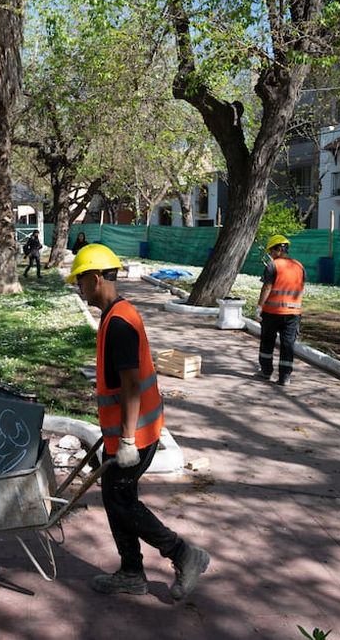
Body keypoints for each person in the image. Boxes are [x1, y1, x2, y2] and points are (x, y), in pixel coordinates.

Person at [65, 243, 210, 601]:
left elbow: (131, 384)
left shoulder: (119, 323)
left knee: (122, 501)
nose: (79, 288)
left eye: (80, 281)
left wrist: (127, 440)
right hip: (130, 431)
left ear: (96, 278)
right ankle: (132, 572)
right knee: (118, 498)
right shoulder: (116, 313)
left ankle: (183, 554)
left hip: (138, 435)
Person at [255, 234, 306, 386]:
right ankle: (285, 377)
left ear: (277, 250)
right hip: (293, 314)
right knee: (287, 344)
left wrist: (259, 306)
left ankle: (265, 372)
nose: (270, 255)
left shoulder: (272, 266)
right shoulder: (299, 266)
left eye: (271, 251)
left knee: (267, 342)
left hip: (272, 312)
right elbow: (300, 288)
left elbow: (267, 287)